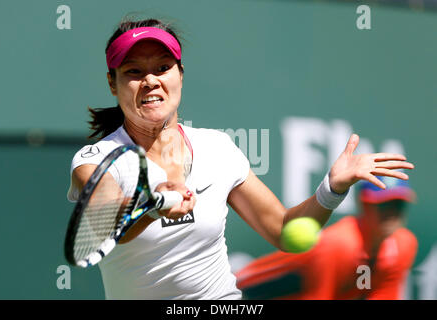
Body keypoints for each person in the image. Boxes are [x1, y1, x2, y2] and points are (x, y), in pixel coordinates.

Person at [66, 17, 414, 300]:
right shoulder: (95, 160)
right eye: (134, 72)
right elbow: (109, 223)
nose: (151, 81)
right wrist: (156, 203)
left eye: (162, 67)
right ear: (113, 84)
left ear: (180, 75)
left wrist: (332, 188)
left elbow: (284, 231)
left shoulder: (218, 148)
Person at [235, 176, 418, 300]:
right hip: (246, 291)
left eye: (398, 205)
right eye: (384, 205)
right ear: (365, 204)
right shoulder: (339, 245)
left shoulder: (405, 245)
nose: (392, 213)